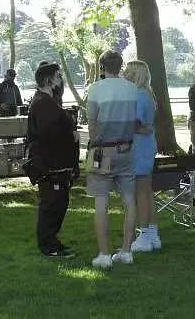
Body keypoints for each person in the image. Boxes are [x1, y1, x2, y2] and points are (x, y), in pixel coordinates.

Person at [86, 50, 138, 269]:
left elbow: (91, 122)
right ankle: (126, 251)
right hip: (127, 149)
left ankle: (104, 254)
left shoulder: (95, 89)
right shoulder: (132, 88)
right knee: (129, 201)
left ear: (102, 67)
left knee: (101, 202)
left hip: (102, 150)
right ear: (120, 66)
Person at [26, 64, 78, 258]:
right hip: (50, 164)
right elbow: (49, 133)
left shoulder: (48, 101)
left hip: (56, 163)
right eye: (58, 76)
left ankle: (52, 241)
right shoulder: (42, 103)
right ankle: (48, 246)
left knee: (59, 203)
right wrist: (70, 134)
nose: (60, 79)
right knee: (52, 204)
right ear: (49, 80)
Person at [123, 60, 161, 253]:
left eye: (128, 71)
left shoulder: (138, 95)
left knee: (140, 193)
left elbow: (134, 124)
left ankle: (144, 234)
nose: (124, 74)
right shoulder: (147, 94)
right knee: (146, 191)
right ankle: (152, 234)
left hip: (139, 148)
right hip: (146, 146)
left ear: (135, 75)